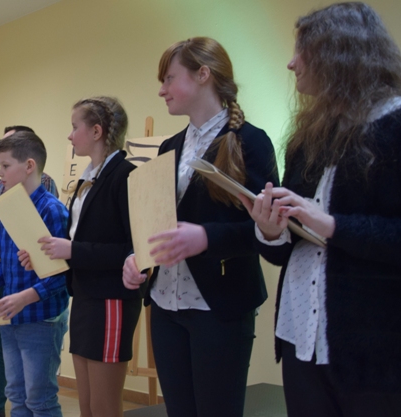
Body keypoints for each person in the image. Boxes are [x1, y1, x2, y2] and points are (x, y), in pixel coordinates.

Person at [240, 3, 401, 416]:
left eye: (302, 51)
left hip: (371, 347)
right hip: (300, 336)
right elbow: (288, 249)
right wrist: (270, 229)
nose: (291, 63)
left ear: (339, 53)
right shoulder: (308, 137)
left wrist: (330, 225)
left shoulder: (395, 125)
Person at [122, 37, 279, 417]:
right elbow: (157, 221)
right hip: (165, 305)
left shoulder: (251, 142)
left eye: (169, 79)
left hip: (220, 305)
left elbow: (266, 230)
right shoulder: (169, 147)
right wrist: (137, 256)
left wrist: (206, 237)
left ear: (203, 75)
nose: (161, 90)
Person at [25, 96, 141, 416]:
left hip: (111, 299)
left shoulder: (125, 175)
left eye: (75, 127)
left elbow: (132, 248)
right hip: (85, 296)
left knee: (104, 406)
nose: (70, 135)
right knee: (87, 404)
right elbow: (79, 242)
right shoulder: (87, 180)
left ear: (96, 131)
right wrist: (47, 256)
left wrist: (71, 250)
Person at [0, 130, 69, 416]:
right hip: (11, 317)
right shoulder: (11, 206)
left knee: (40, 399)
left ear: (29, 166)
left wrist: (24, 297)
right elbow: (6, 261)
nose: (0, 173)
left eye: (5, 165)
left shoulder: (52, 210)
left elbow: (62, 276)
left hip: (41, 318)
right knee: (16, 395)